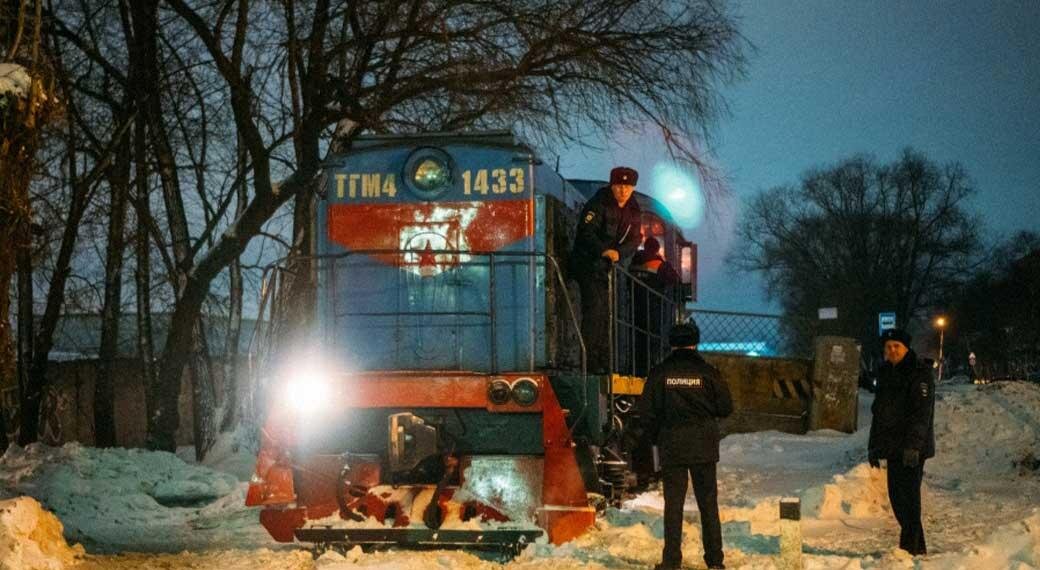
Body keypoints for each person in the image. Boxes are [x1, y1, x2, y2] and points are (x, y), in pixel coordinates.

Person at [629, 321, 733, 570]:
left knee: (673, 505)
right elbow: (726, 408)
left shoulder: (659, 373)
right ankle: (715, 561)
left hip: (672, 445)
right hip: (704, 446)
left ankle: (671, 560)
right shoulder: (709, 373)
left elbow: (646, 413)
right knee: (708, 503)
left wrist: (655, 435)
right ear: (695, 342)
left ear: (671, 344)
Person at [868, 327, 936, 556]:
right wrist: (873, 447)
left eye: (896, 346)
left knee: (909, 500)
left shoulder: (919, 372)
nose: (892, 350)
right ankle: (918, 548)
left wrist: (914, 447)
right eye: (888, 347)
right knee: (897, 499)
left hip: (911, 449)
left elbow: (921, 414)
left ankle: (909, 550)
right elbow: (878, 413)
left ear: (906, 348)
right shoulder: (886, 372)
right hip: (892, 447)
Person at [568, 166, 643, 373]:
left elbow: (636, 239)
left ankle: (601, 360)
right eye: (619, 186)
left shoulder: (633, 210)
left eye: (627, 187)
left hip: (605, 268)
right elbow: (586, 232)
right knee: (595, 310)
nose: (623, 191)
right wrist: (604, 251)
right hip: (586, 263)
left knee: (605, 313)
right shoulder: (598, 204)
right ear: (612, 186)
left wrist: (619, 252)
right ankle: (589, 361)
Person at [630, 236, 681, 375]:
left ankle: (637, 369)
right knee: (653, 341)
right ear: (657, 249)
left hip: (633, 308)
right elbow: (676, 281)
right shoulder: (659, 264)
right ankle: (652, 369)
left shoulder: (633, 261)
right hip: (654, 309)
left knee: (637, 341)